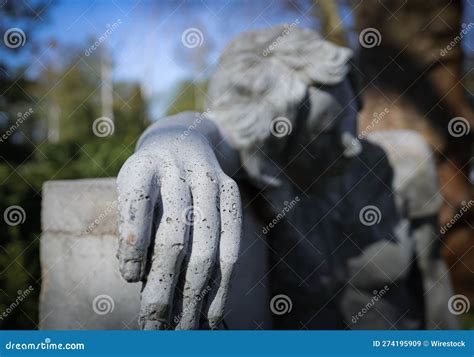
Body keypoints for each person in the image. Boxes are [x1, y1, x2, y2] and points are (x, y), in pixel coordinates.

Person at [116, 26, 425, 329]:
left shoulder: (397, 163)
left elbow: (439, 309)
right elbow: (225, 132)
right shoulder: (270, 186)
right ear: (274, 142)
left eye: (351, 116)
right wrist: (173, 144)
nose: (352, 144)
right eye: (327, 134)